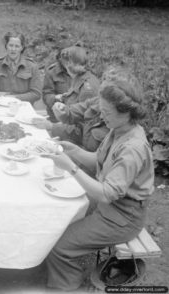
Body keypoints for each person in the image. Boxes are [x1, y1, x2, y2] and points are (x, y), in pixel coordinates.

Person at [43, 69, 154, 292]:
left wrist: (71, 167)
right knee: (54, 218)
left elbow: (106, 193)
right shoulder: (119, 129)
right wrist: (74, 151)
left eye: (107, 112)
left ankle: (67, 285)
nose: (102, 116)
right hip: (112, 206)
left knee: (58, 245)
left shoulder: (133, 148)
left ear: (126, 112)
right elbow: (99, 159)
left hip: (123, 217)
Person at [33, 66, 124, 152]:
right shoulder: (97, 101)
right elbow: (73, 114)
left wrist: (74, 155)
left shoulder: (121, 127)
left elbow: (98, 161)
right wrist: (63, 110)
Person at [42, 45, 99, 122]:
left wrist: (53, 127)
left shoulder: (87, 87)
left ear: (68, 65)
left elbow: (83, 123)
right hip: (62, 122)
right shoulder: (79, 79)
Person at [0, 32, 42, 104]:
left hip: (24, 107)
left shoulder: (32, 66)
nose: (13, 49)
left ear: (22, 47)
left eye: (17, 46)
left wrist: (13, 98)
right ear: (6, 46)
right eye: (10, 45)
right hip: (2, 105)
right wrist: (1, 95)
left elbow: (36, 94)